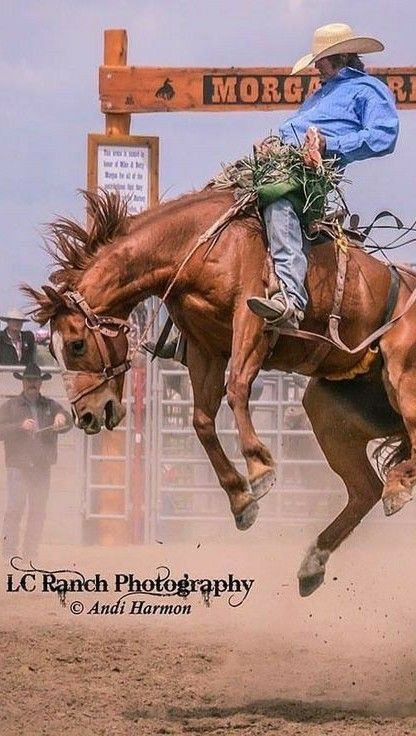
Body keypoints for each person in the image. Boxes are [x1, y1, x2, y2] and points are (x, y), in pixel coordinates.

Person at [247, 22, 400, 327]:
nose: (316, 65)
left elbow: (385, 136)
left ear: (340, 56)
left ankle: (291, 300)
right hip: (277, 163)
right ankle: (192, 328)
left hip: (309, 173)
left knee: (279, 201)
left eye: (320, 59)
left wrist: (331, 144)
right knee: (222, 204)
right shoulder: (320, 94)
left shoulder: (369, 91)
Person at [0, 363, 72, 561]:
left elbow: (68, 420)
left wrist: (61, 417)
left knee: (37, 510)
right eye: (29, 380)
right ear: (23, 382)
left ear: (41, 383)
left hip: (41, 465)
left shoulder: (50, 405)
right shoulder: (10, 406)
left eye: (35, 380)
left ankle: (30, 553)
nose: (32, 383)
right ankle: (9, 553)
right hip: (18, 465)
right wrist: (19, 426)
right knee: (15, 508)